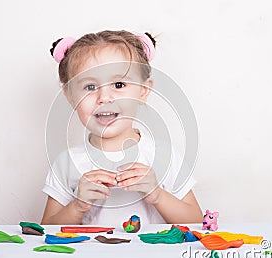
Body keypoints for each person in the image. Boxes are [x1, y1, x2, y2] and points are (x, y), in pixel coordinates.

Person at [41, 30, 202, 225]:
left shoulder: (163, 155)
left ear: (143, 91)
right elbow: (47, 229)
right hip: (90, 256)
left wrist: (158, 195)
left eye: (118, 84)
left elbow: (196, 221)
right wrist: (77, 206)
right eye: (90, 87)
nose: (104, 98)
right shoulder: (67, 163)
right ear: (70, 96)